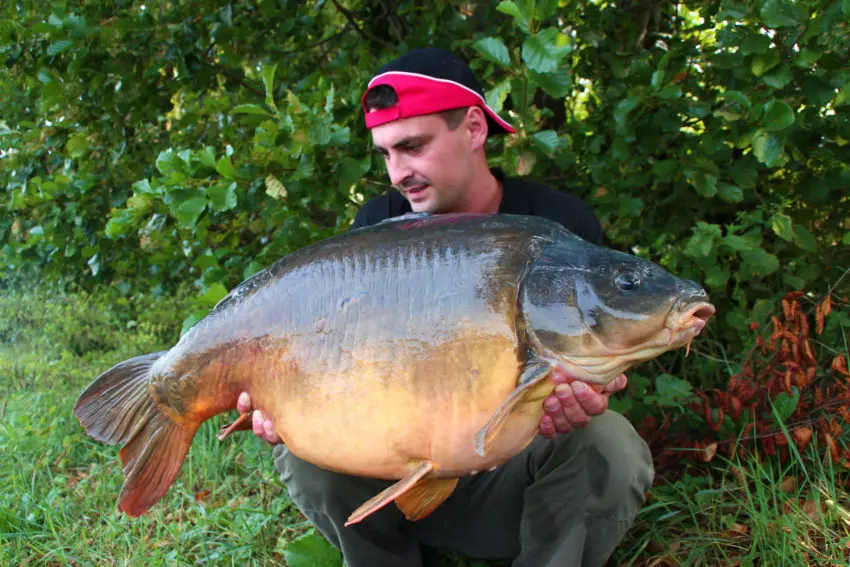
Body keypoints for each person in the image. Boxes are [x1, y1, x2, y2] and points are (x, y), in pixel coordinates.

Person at [237, 48, 654, 567]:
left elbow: (600, 359)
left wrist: (600, 384)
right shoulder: (378, 227)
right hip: (396, 475)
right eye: (386, 154)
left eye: (412, 146)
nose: (397, 173)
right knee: (301, 457)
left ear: (475, 128)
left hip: (512, 483)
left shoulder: (557, 224)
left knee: (610, 444)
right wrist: (285, 401)